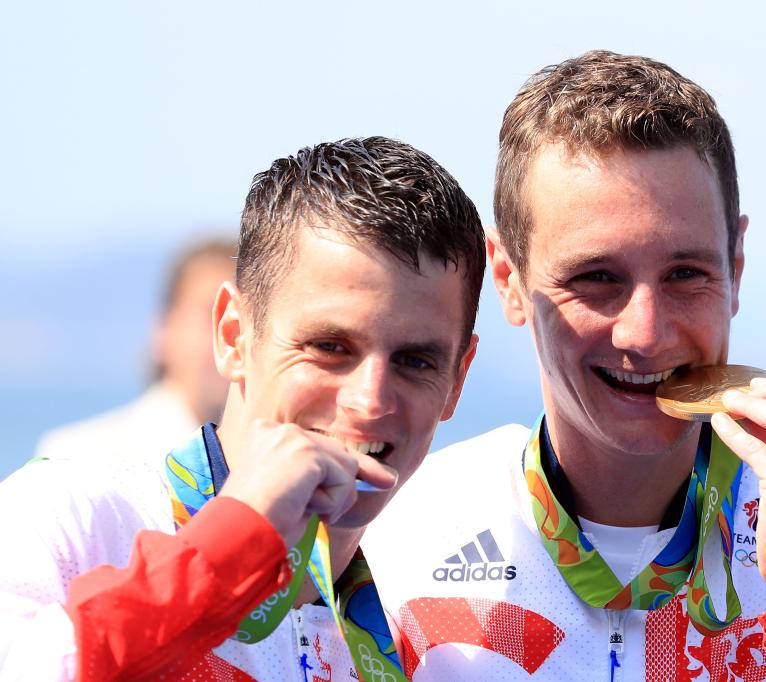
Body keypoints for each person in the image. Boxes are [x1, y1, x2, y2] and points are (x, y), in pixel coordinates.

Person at [362, 51, 766, 681]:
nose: (645, 334)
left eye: (685, 273)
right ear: (507, 278)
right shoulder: (396, 534)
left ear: (735, 266)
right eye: (596, 278)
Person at [0, 137, 485, 680]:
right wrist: (232, 543)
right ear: (233, 336)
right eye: (330, 347)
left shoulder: (437, 632)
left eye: (415, 361)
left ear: (457, 380)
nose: (369, 401)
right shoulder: (74, 518)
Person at [34, 238, 235, 461]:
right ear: (164, 330)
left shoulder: (264, 464)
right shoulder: (76, 455)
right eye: (214, 315)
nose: (234, 339)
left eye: (250, 320)